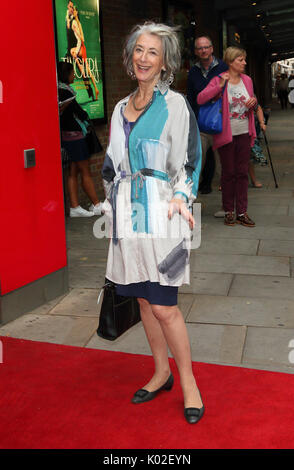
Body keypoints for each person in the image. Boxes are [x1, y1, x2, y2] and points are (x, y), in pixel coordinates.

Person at [101, 22, 204, 424]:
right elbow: (111, 165)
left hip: (164, 214)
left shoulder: (175, 105)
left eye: (153, 52)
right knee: (144, 299)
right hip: (129, 218)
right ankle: (161, 373)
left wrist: (181, 194)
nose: (143, 58)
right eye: (138, 50)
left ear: (165, 63)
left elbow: (191, 160)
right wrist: (112, 204)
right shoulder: (117, 108)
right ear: (130, 57)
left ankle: (189, 381)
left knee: (165, 306)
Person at [197, 46, 257, 227]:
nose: (244, 63)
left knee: (242, 173)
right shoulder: (218, 79)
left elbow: (251, 101)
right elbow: (201, 99)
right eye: (241, 60)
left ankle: (242, 212)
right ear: (231, 62)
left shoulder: (247, 80)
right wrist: (219, 86)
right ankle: (229, 211)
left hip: (244, 132)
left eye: (244, 59)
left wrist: (253, 102)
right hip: (226, 134)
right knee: (229, 173)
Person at [57, 61, 103, 217]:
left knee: (73, 171)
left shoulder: (58, 90)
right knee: (85, 170)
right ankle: (96, 204)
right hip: (75, 137)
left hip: (65, 136)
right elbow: (80, 113)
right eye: (72, 72)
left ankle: (75, 206)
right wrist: (85, 116)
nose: (74, 75)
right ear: (66, 74)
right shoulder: (67, 93)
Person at [187, 36, 228, 194]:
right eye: (199, 48)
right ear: (196, 51)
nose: (203, 50)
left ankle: (227, 208)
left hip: (220, 124)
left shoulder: (223, 68)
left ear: (211, 49)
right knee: (197, 164)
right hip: (201, 125)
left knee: (223, 167)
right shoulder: (193, 72)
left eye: (206, 47)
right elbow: (191, 99)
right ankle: (190, 203)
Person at [66, 1, 99, 101]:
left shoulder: (76, 23)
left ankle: (81, 67)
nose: (73, 11)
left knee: (72, 52)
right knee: (87, 70)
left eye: (75, 10)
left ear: (76, 12)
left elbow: (81, 39)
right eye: (72, 10)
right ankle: (96, 89)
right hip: (83, 48)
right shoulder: (77, 22)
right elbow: (81, 39)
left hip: (81, 47)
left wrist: (76, 51)